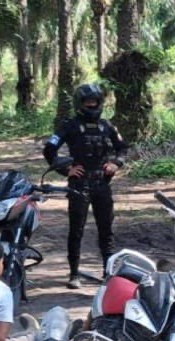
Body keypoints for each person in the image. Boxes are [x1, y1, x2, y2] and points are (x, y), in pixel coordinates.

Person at [43, 83, 129, 289]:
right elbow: (49, 150)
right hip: (79, 185)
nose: (92, 105)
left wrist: (116, 164)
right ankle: (74, 274)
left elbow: (123, 149)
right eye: (88, 102)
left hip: (102, 184)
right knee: (76, 230)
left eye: (95, 102)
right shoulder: (69, 126)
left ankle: (108, 273)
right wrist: (66, 170)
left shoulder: (107, 126)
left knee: (106, 230)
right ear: (79, 103)